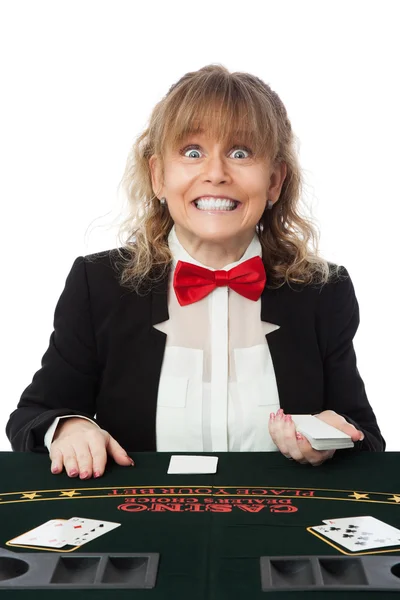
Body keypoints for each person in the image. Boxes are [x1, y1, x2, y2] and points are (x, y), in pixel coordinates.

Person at [6, 64, 385, 480]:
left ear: (275, 180)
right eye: (192, 152)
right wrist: (70, 426)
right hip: (142, 528)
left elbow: (366, 438)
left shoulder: (323, 293)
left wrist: (333, 440)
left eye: (241, 153)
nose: (217, 173)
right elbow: (33, 415)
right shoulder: (97, 284)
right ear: (157, 176)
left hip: (276, 530)